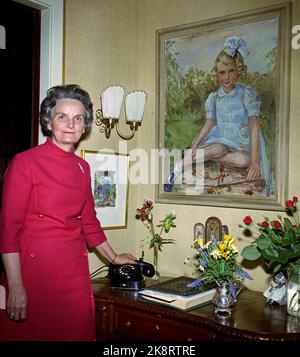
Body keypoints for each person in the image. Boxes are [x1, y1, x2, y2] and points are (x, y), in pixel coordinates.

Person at [0, 84, 137, 341]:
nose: (70, 124)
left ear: (84, 126)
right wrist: (15, 285)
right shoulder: (24, 163)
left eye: (78, 119)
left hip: (73, 275)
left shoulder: (83, 168)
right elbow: (9, 229)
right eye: (62, 116)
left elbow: (89, 223)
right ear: (49, 123)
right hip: (34, 275)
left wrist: (113, 257)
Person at [164, 36, 270, 195]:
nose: (226, 77)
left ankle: (202, 157)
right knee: (219, 148)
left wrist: (255, 162)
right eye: (222, 73)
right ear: (217, 74)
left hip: (241, 141)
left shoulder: (246, 95)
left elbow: (254, 127)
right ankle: (177, 169)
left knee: (244, 160)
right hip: (220, 138)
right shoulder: (214, 98)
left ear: (238, 70)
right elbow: (208, 124)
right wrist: (195, 144)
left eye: (231, 71)